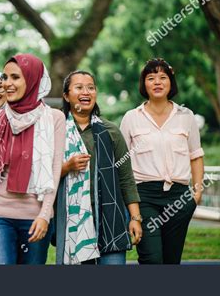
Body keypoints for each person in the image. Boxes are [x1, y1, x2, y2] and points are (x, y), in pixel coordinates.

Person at [0, 54, 65, 265]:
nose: (7, 84)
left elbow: (54, 169)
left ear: (32, 79)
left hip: (35, 216)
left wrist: (44, 215)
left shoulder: (54, 118)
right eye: (5, 77)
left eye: (15, 77)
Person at [120, 58, 204, 264]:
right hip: (144, 197)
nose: (157, 82)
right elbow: (122, 165)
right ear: (144, 84)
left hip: (180, 197)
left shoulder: (186, 116)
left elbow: (196, 155)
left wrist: (197, 194)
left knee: (171, 261)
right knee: (152, 259)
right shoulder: (131, 118)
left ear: (170, 82)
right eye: (151, 78)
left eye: (162, 77)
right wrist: (133, 212)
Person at [55, 70, 142, 265]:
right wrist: (66, 167)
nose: (86, 92)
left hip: (110, 220)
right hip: (73, 222)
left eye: (91, 87)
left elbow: (126, 178)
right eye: (79, 87)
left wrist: (135, 218)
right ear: (66, 95)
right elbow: (43, 177)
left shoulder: (111, 131)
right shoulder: (56, 131)